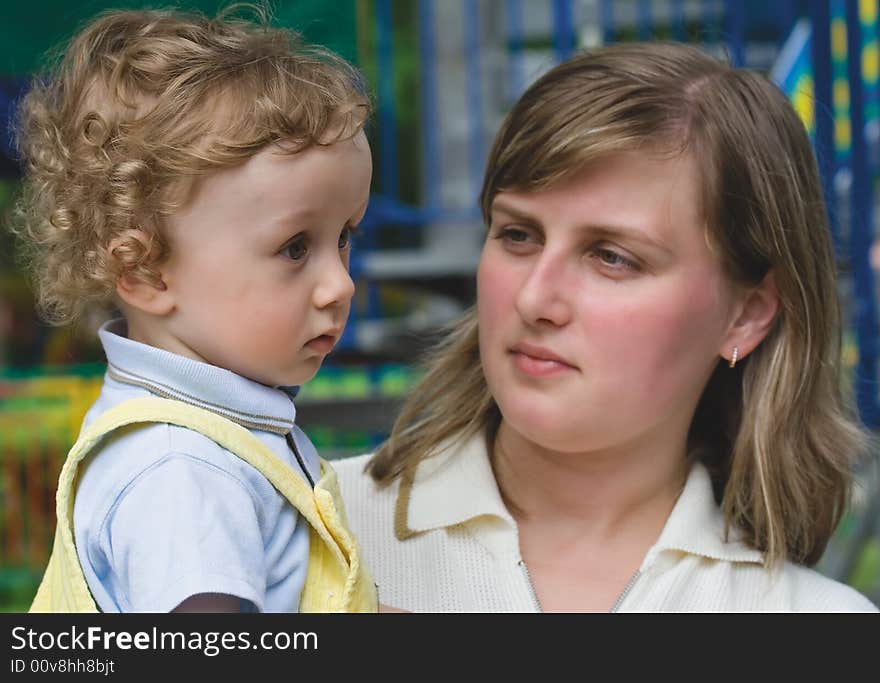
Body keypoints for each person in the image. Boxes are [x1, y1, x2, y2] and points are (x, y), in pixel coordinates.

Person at [335, 41, 879, 612]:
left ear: (746, 314)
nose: (535, 297)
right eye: (518, 234)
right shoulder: (295, 530)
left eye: (613, 257)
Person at [12, 6, 377, 612]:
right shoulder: (181, 470)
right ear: (144, 271)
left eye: (345, 236)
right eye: (294, 247)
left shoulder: (210, 433)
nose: (339, 285)